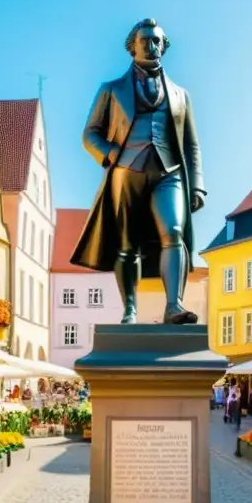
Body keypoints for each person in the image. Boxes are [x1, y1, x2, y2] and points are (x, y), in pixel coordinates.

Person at [71, 18, 205, 325]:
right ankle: (129, 310)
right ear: (133, 47)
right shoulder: (111, 90)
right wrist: (110, 152)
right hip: (126, 171)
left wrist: (196, 185)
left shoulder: (181, 95)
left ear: (164, 46)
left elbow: (191, 144)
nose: (151, 45)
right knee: (127, 245)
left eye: (157, 41)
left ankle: (174, 305)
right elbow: (89, 134)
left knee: (173, 233)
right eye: (144, 40)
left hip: (168, 172)